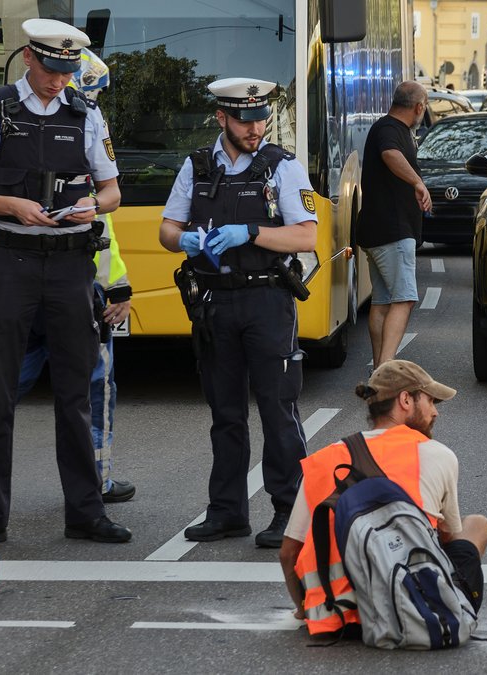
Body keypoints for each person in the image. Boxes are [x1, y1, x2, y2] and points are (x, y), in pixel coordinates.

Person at [0, 53, 134, 507]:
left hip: (68, 270)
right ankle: (85, 482)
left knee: (24, 383)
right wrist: (15, 206)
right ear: (31, 60)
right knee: (72, 382)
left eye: (70, 77)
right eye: (54, 73)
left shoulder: (88, 116)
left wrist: (94, 206)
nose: (63, 85)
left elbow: (108, 199)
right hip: (14, 264)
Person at [158, 76, 317, 548]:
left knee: (277, 408)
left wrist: (251, 232)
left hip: (266, 300)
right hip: (213, 302)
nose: (255, 128)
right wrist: (181, 240)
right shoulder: (198, 166)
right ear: (221, 118)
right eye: (245, 120)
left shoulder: (281, 167)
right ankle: (227, 512)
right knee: (225, 413)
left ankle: (288, 512)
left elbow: (305, 236)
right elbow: (167, 229)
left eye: (261, 118)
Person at [0, 221, 136, 505]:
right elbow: (95, 220)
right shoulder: (73, 175)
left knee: (1, 375)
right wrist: (116, 285)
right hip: (71, 280)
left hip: (8, 281)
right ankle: (96, 479)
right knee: (93, 381)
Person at [279, 360, 487, 633]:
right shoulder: (436, 454)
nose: (435, 412)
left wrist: (306, 610)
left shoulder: (326, 458)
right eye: (430, 401)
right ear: (405, 399)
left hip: (336, 618)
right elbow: (448, 538)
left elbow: (288, 553)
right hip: (412, 614)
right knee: (476, 525)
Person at [357, 81, 430, 368]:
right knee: (405, 299)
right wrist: (417, 183)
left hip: (378, 231)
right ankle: (387, 370)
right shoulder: (390, 130)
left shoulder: (387, 128)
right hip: (392, 232)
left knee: (383, 301)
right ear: (418, 107)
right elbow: (390, 154)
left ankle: (379, 369)